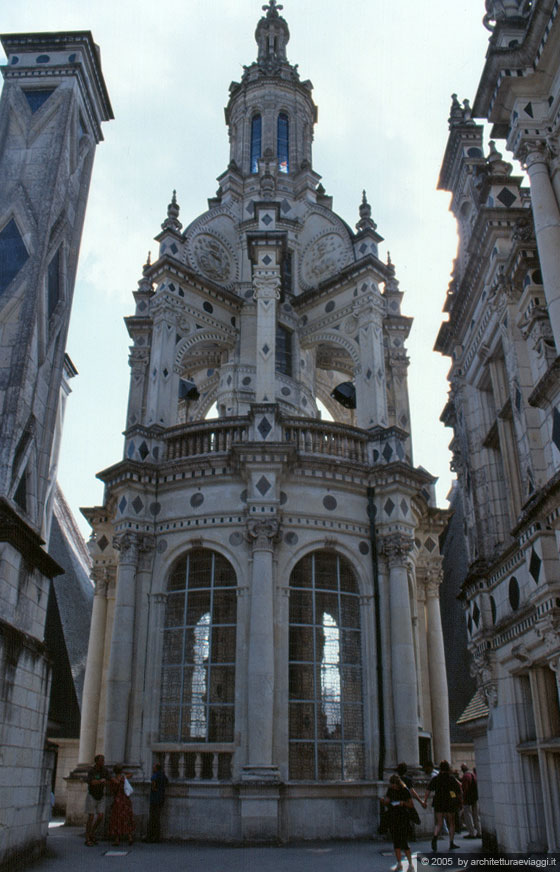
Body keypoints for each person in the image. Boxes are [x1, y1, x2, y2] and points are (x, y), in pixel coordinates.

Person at [423, 759, 462, 853]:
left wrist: (424, 801)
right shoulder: (451, 778)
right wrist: (460, 801)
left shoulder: (436, 778)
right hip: (450, 802)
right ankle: (451, 842)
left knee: (439, 823)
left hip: (438, 802)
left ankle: (435, 837)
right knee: (451, 823)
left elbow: (428, 790)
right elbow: (459, 789)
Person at [381, 774, 415, 872]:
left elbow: (411, 804)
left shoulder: (405, 790)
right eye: (391, 785)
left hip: (403, 817)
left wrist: (403, 803)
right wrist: (384, 801)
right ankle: (399, 863)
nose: (393, 787)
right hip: (393, 817)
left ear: (398, 783)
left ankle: (410, 864)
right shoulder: (390, 790)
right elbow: (387, 801)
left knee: (404, 842)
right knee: (396, 842)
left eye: (394, 785)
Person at [85, 754, 111, 847]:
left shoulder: (105, 770)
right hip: (92, 794)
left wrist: (105, 782)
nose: (103, 762)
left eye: (103, 760)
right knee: (91, 816)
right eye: (101, 760)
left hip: (101, 795)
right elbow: (91, 781)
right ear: (97, 761)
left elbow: (109, 781)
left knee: (100, 816)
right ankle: (87, 837)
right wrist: (100, 781)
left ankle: (92, 832)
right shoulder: (92, 771)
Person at [108, 764, 135, 847]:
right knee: (127, 818)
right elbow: (131, 774)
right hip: (125, 800)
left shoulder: (114, 779)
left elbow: (112, 791)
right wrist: (123, 772)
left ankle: (117, 839)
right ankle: (130, 837)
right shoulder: (124, 778)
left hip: (117, 800)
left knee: (117, 819)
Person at [146, 763, 168, 843]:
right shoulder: (163, 775)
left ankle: (151, 836)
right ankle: (156, 836)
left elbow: (153, 785)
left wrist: (154, 788)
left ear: (156, 768)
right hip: (161, 798)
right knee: (157, 818)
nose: (153, 768)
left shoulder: (155, 775)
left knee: (152, 818)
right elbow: (166, 783)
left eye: (154, 767)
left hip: (154, 798)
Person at [460, 764, 480, 838]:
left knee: (468, 815)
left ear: (462, 770)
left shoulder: (465, 776)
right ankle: (479, 831)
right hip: (475, 797)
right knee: (476, 815)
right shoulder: (472, 775)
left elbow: (465, 789)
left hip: (468, 799)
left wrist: (463, 799)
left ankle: (472, 833)